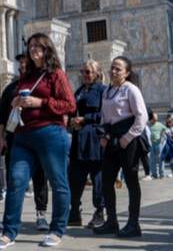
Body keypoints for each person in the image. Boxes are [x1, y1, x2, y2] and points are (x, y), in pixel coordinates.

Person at [0, 33, 75, 250]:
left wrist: (41, 101)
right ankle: (9, 233)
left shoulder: (56, 74)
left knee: (58, 183)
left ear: (47, 49)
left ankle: (57, 230)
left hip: (50, 134)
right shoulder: (25, 77)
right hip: (22, 136)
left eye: (38, 45)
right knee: (16, 183)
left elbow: (69, 105)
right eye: (31, 45)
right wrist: (17, 102)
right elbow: (11, 108)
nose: (33, 49)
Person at [93, 56, 147, 239]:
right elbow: (105, 116)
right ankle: (111, 221)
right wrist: (104, 135)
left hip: (127, 140)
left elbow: (142, 116)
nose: (113, 71)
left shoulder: (131, 90)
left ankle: (134, 223)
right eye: (112, 68)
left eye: (118, 69)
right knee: (107, 180)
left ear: (127, 73)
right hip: (112, 140)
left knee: (131, 180)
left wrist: (128, 137)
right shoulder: (108, 91)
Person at [0, 53, 50, 232]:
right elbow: (1, 115)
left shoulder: (41, 86)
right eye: (20, 62)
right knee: (15, 178)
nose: (22, 65)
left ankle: (41, 214)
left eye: (26, 62)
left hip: (39, 136)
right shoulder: (11, 88)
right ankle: (13, 217)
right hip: (16, 139)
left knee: (40, 177)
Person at [68, 60, 107, 229]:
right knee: (76, 176)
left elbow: (105, 114)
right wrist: (73, 122)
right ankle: (74, 211)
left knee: (97, 175)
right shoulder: (79, 92)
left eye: (89, 72)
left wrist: (86, 119)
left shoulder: (103, 91)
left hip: (93, 139)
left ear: (97, 74)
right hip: (78, 140)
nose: (85, 75)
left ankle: (100, 211)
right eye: (83, 72)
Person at [147, 112, 168, 179]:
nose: (154, 120)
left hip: (159, 144)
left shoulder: (160, 125)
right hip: (151, 144)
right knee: (152, 159)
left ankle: (161, 174)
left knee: (160, 159)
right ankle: (154, 174)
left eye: (155, 119)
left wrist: (166, 131)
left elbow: (167, 130)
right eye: (153, 118)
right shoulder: (148, 124)